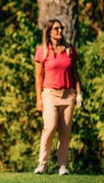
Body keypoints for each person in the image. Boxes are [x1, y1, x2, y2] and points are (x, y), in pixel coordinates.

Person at [33, 19, 82, 175]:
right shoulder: (42, 51)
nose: (60, 31)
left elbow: (75, 73)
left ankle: (62, 166)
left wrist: (79, 93)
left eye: (61, 28)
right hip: (49, 94)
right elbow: (38, 77)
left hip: (68, 94)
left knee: (65, 132)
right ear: (49, 31)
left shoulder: (69, 50)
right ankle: (43, 163)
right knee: (50, 127)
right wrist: (39, 99)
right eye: (56, 28)